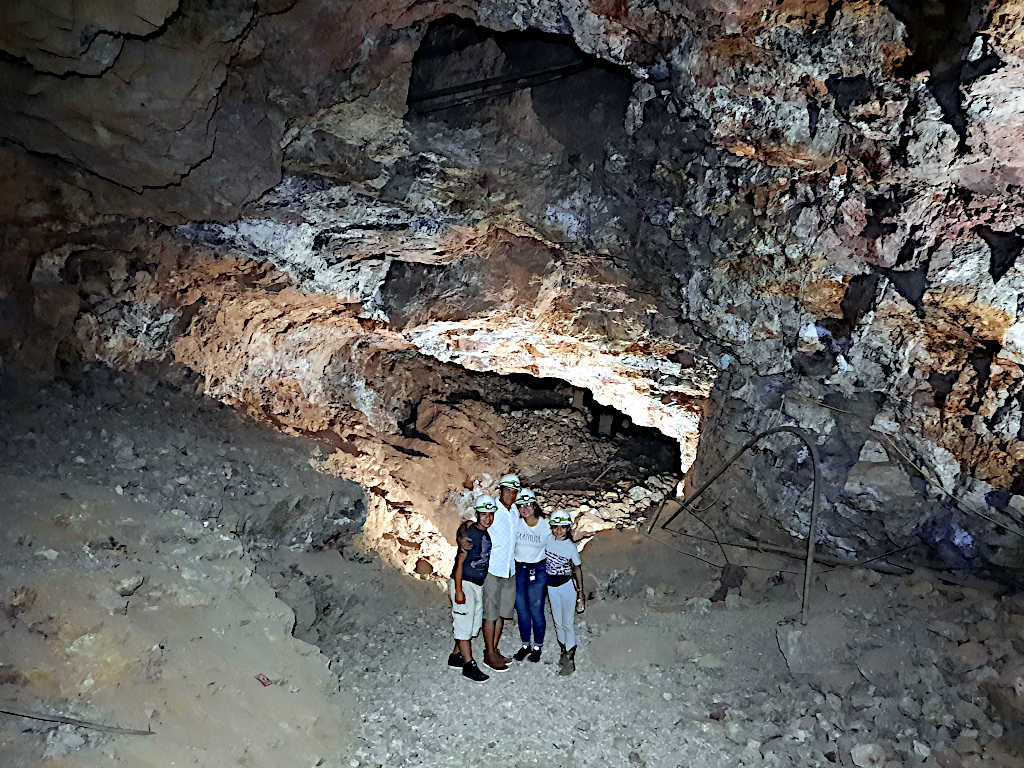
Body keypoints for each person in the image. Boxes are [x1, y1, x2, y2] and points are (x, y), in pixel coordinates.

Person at [447, 495, 495, 682]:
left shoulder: (483, 533)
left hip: (476, 584)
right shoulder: (471, 534)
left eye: (490, 514)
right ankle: (469, 665)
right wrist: (458, 589)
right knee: (463, 623)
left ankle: (455, 656)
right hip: (464, 582)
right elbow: (459, 561)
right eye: (484, 514)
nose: (487, 518)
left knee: (473, 625)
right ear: (477, 514)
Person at [479, 473, 521, 671]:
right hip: (493, 569)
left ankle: (494, 649)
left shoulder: (514, 512)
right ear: (501, 490)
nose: (511, 495)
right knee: (491, 614)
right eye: (507, 491)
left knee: (503, 614)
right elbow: (477, 525)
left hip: (509, 569)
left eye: (514, 492)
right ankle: (489, 653)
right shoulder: (492, 509)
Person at [510, 488, 551, 662]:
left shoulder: (545, 525)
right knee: (521, 609)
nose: (525, 509)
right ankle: (525, 644)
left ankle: (537, 646)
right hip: (519, 569)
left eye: (528, 505)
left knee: (536, 609)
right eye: (521, 506)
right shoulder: (516, 523)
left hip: (538, 570)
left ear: (535, 506)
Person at [545, 509, 585, 675]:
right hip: (551, 587)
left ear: (568, 528)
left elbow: (577, 568)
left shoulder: (570, 547)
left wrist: (580, 592)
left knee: (567, 622)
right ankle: (563, 649)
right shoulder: (547, 540)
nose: (559, 530)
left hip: (566, 587)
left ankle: (570, 656)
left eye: (563, 527)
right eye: (556, 527)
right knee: (557, 621)